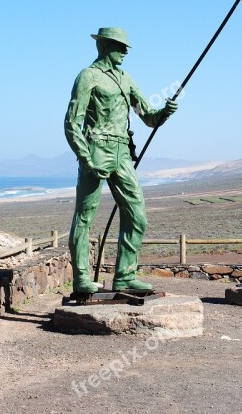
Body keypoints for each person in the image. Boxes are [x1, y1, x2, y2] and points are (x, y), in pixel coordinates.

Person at [64, 27, 177, 294]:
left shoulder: (126, 79)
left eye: (125, 47)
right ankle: (81, 278)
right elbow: (71, 123)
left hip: (122, 153)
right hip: (96, 150)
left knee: (137, 215)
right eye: (119, 46)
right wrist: (86, 157)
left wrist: (165, 112)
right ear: (103, 47)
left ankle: (125, 276)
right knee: (84, 216)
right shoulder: (87, 76)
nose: (125, 52)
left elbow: (148, 117)